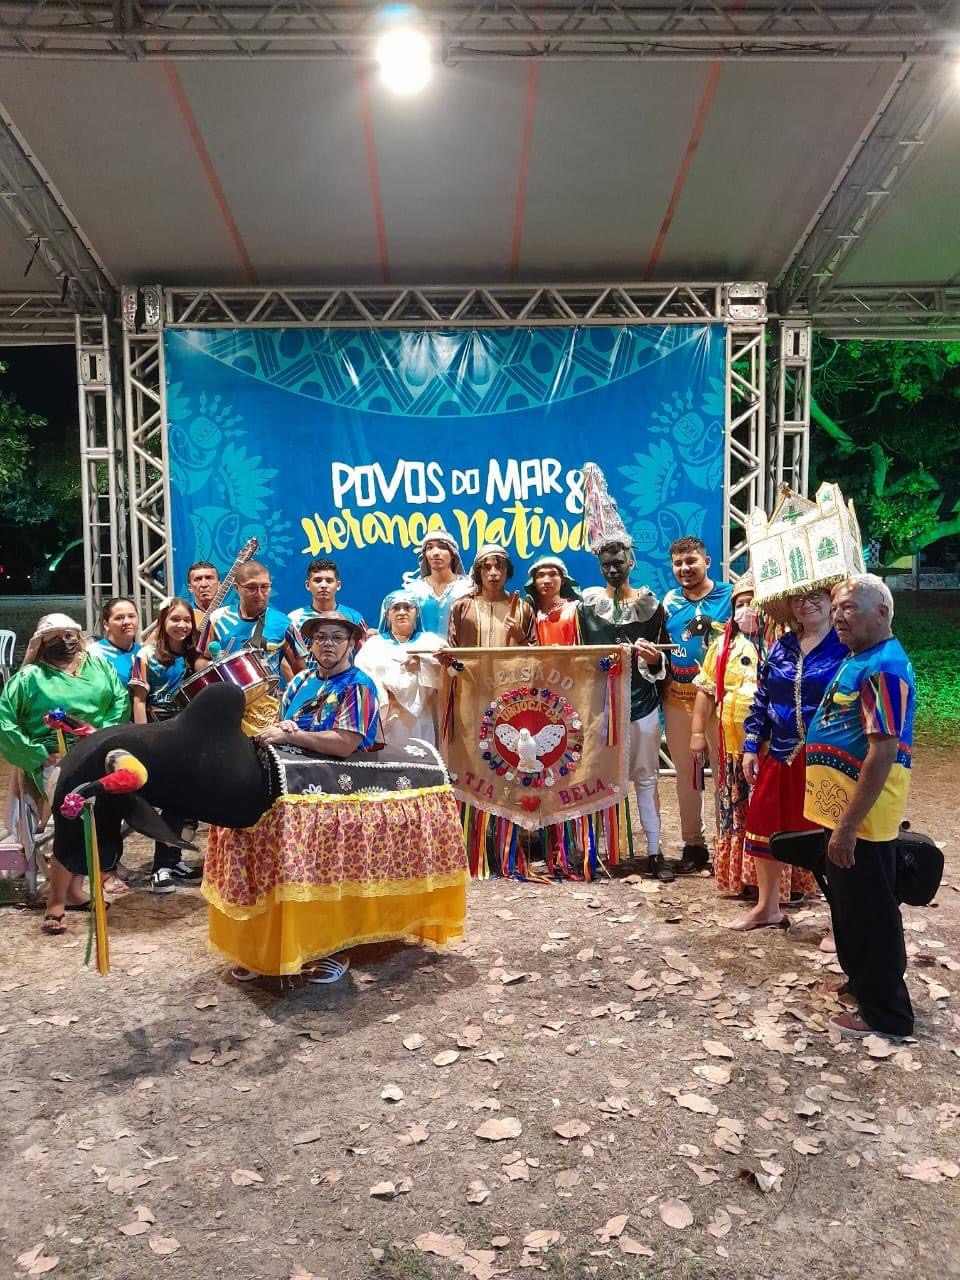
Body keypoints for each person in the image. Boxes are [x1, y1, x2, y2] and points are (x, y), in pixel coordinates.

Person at [223, 612, 383, 983]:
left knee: (328, 873)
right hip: (293, 793)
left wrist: (293, 736)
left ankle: (333, 949)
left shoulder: (359, 685)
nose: (328, 644)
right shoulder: (300, 682)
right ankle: (274, 947)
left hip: (338, 797)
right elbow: (283, 725)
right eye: (320, 637)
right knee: (281, 870)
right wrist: (282, 727)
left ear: (351, 644)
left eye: (337, 637)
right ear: (310, 644)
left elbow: (345, 743)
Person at [803, 575, 916, 1040]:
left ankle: (887, 1012)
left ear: (882, 612)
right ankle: (861, 982)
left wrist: (848, 826)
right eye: (835, 608)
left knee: (872, 911)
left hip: (862, 818)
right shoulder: (860, 657)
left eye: (849, 607)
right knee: (849, 904)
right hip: (841, 811)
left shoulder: (884, 667)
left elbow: (883, 751)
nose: (838, 616)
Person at [0, 614, 128, 934]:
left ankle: (74, 891)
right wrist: (35, 753)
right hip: (52, 758)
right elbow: (5, 720)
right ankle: (55, 902)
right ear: (42, 642)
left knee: (96, 822)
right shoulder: (29, 677)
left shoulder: (98, 667)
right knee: (73, 820)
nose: (65, 641)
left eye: (69, 634)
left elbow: (119, 700)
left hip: (96, 750)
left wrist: (101, 736)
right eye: (55, 636)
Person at [735, 587, 846, 930]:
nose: (806, 604)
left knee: (832, 835)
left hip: (829, 757)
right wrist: (751, 745)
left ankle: (841, 920)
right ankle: (767, 907)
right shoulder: (781, 647)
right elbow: (763, 698)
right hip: (782, 752)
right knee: (763, 824)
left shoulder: (846, 647)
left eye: (815, 597)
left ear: (830, 602)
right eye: (798, 599)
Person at [580, 541, 673, 881]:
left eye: (618, 562)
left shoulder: (651, 607)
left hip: (642, 705)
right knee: (600, 780)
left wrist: (654, 659)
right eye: (606, 564)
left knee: (646, 779)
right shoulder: (586, 608)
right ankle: (601, 853)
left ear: (631, 562)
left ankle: (655, 852)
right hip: (602, 708)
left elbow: (663, 658)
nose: (612, 569)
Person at [662, 536, 734, 874]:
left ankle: (727, 845)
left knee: (725, 774)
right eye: (678, 563)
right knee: (687, 776)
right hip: (680, 700)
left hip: (722, 701)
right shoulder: (669, 601)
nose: (684, 568)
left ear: (707, 561)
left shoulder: (731, 596)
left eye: (691, 561)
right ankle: (694, 844)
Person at [690, 574, 761, 899]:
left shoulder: (781, 645)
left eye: (753, 602)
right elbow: (705, 691)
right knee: (735, 808)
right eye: (740, 604)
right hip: (731, 747)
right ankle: (741, 877)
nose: (747, 609)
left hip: (772, 749)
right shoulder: (722, 646)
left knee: (765, 809)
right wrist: (697, 733)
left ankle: (770, 880)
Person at [130, 598, 207, 893]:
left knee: (189, 804)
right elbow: (139, 701)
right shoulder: (146, 656)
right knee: (174, 803)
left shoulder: (195, 657)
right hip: (160, 733)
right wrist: (143, 738)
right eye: (175, 619)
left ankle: (174, 860)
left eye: (187, 620)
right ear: (163, 621)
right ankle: (160, 867)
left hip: (191, 733)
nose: (182, 625)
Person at [355, 589, 445, 747]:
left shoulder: (432, 642)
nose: (402, 612)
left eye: (408, 607)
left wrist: (423, 666)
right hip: (386, 714)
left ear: (417, 612)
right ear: (387, 614)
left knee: (422, 754)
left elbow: (449, 670)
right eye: (395, 608)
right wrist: (385, 693)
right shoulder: (374, 645)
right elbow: (362, 677)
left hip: (422, 717)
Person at [205, 560, 294, 685]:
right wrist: (215, 667)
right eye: (251, 588)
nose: (259, 593)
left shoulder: (284, 623)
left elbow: (300, 670)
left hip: (268, 696)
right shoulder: (217, 618)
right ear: (237, 588)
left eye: (265, 587)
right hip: (226, 694)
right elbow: (201, 659)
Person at [447, 545, 538, 647]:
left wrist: (520, 637)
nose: (493, 573)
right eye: (487, 567)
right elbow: (452, 651)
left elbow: (536, 654)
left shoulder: (523, 608)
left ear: (507, 571)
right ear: (478, 572)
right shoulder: (462, 607)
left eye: (499, 567)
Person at [401, 528, 473, 638]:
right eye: (429, 548)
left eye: (442, 547)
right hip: (421, 648)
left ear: (453, 554)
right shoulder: (413, 590)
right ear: (425, 554)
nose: (435, 553)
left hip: (459, 648)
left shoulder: (467, 588)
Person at [524, 556, 581, 645]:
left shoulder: (576, 609)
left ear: (562, 580)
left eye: (553, 574)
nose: (547, 581)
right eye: (541, 575)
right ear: (534, 582)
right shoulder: (530, 614)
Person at [91, 597, 141, 686]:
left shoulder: (143, 652)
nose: (127, 622)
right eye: (119, 618)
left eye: (131, 616)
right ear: (106, 624)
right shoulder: (94, 654)